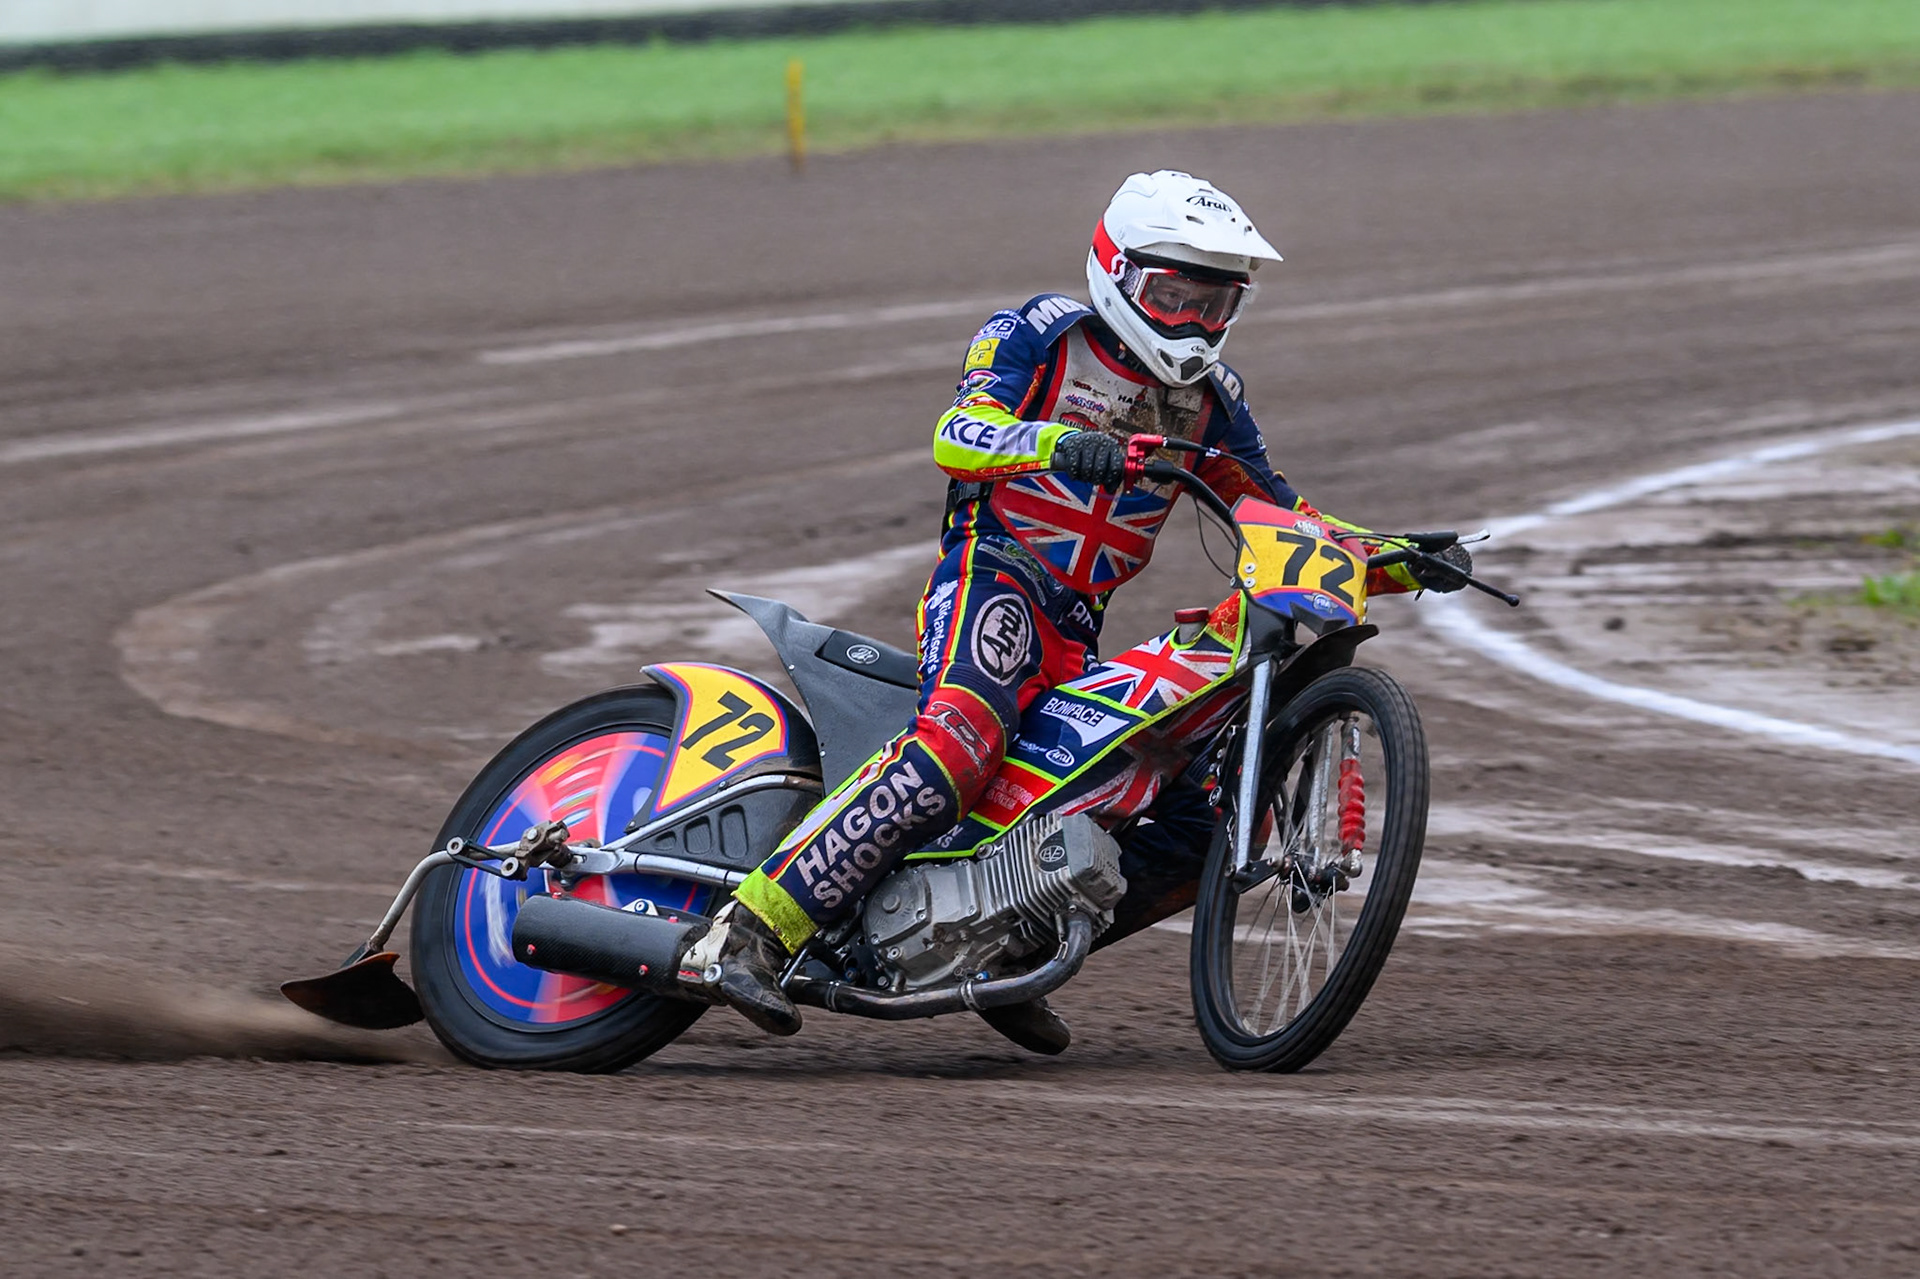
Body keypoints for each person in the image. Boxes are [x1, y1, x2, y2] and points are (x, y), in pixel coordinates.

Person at [684, 170, 1472, 1046]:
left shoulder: (1212, 404)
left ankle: (1008, 948)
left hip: (1077, 624)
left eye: (1214, 305)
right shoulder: (1039, 333)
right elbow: (957, 433)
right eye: (1173, 297)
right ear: (1118, 273)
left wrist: (1397, 556)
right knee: (958, 740)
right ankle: (749, 930)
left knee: (1197, 821)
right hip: (993, 578)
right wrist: (1064, 445)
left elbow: (1281, 514)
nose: (1192, 322)